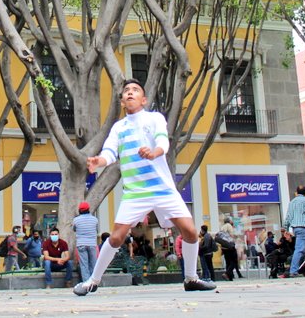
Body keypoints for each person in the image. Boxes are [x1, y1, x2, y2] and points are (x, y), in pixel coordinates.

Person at [73, 79, 215, 296]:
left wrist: (154, 152)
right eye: (126, 91)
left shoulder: (154, 118)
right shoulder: (118, 127)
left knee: (191, 232)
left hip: (163, 189)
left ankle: (191, 279)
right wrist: (98, 162)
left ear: (144, 99)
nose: (130, 93)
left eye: (135, 90)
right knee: (117, 237)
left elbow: (163, 142)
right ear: (122, 101)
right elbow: (110, 153)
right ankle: (93, 281)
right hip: (135, 193)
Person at [70, 202, 99, 282]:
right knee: (93, 263)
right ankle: (94, 282)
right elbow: (96, 229)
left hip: (81, 244)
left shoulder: (76, 220)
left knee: (84, 265)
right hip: (92, 244)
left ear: (80, 210)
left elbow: (74, 229)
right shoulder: (95, 219)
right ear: (88, 209)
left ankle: (87, 282)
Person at [218, 216, 242, 280]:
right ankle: (227, 273)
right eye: (231, 220)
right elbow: (231, 235)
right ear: (229, 221)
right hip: (230, 246)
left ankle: (230, 277)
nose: (232, 221)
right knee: (234, 261)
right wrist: (236, 237)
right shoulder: (229, 226)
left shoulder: (222, 227)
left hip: (224, 247)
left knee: (228, 262)